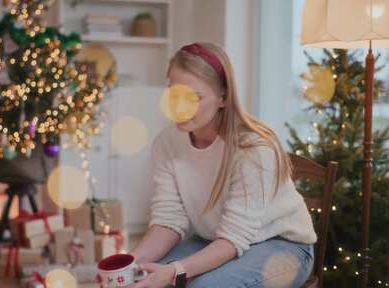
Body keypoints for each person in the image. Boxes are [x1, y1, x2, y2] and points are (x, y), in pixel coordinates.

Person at [128, 43, 316, 288]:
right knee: (141, 278)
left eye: (194, 97)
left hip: (281, 246)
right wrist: (128, 263)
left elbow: (233, 238)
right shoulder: (167, 143)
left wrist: (176, 271)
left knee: (198, 286)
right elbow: (168, 220)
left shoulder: (254, 150)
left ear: (223, 97)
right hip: (215, 240)